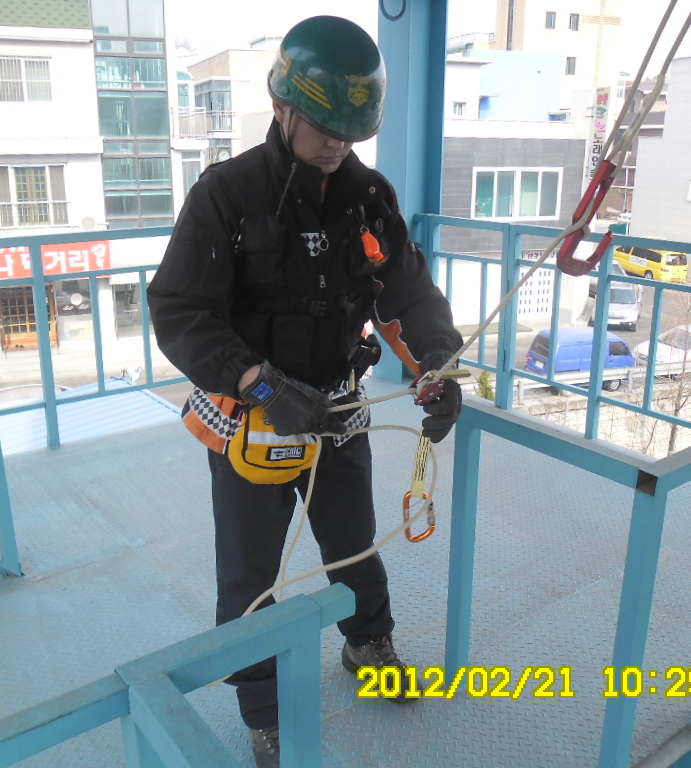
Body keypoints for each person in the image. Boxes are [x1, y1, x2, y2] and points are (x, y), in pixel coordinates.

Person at [148, 16, 463, 768]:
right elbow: (179, 309)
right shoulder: (227, 195)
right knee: (251, 576)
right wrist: (254, 380)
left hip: (339, 409)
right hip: (252, 417)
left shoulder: (368, 198)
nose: (337, 147)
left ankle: (369, 645)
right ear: (282, 106)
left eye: (351, 135)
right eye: (325, 130)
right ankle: (265, 711)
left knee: (354, 544)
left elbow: (406, 292)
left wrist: (439, 358)